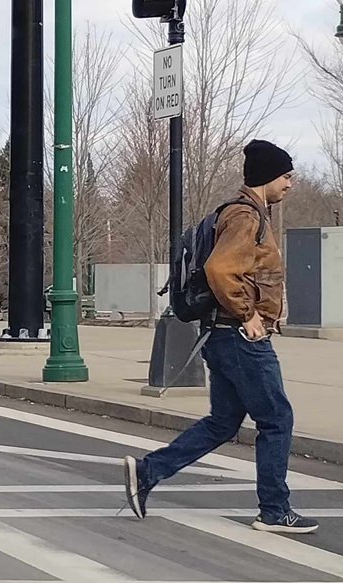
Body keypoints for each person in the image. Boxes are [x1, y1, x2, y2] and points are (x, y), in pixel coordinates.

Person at [124, 140, 318, 534]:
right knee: (277, 419)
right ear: (267, 178)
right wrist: (248, 315)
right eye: (286, 176)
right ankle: (274, 510)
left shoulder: (244, 213)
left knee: (223, 422)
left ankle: (148, 472)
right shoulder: (246, 217)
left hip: (224, 335)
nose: (290, 184)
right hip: (240, 338)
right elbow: (221, 269)